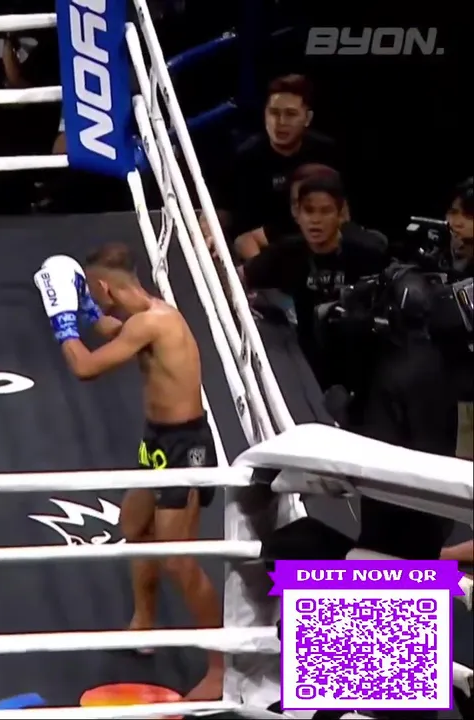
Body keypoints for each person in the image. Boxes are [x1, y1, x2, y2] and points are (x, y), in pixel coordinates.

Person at [35, 244, 223, 702]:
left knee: (178, 558)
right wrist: (84, 305)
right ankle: (144, 623)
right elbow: (108, 326)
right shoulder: (147, 313)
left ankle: (222, 665)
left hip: (186, 447)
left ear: (105, 286)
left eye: (93, 291)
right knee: (134, 524)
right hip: (157, 439)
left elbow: (85, 366)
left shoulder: (152, 322)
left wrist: (61, 320)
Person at [237, 174, 391, 389]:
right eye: (309, 211)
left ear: (341, 214)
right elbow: (238, 278)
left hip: (365, 365)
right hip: (310, 365)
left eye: (325, 211)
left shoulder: (367, 252)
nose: (315, 220)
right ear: (297, 214)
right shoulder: (287, 252)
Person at [208, 74, 340, 249]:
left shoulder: (326, 153)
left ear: (307, 118)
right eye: (274, 113)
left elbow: (342, 213)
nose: (281, 122)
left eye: (290, 114)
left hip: (314, 242)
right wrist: (210, 232)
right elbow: (221, 209)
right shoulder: (244, 157)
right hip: (260, 248)